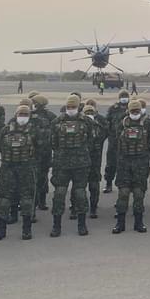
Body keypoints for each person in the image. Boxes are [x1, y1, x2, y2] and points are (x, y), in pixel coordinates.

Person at [0, 104, 37, 241]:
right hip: (8, 168)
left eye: (25, 114)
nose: (22, 117)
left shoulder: (34, 130)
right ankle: (1, 230)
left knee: (26, 199)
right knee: (4, 198)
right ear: (16, 115)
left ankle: (26, 230)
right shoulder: (6, 130)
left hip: (26, 168)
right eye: (20, 114)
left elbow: (42, 147)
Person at [49, 95, 93, 237]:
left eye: (73, 107)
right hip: (62, 165)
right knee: (59, 194)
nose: (70, 109)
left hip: (80, 165)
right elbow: (53, 142)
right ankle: (56, 226)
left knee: (80, 194)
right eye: (68, 107)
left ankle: (82, 225)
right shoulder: (57, 122)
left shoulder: (86, 121)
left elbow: (91, 141)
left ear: (79, 107)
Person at [112, 99, 150, 234]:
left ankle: (139, 222)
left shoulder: (147, 123)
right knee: (123, 193)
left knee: (138, 194)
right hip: (124, 163)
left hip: (141, 163)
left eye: (137, 110)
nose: (135, 113)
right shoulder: (122, 123)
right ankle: (120, 223)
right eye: (132, 111)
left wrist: (143, 153)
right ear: (128, 111)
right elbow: (115, 140)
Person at [83, 101, 109, 218]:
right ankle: (80, 207)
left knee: (93, 185)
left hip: (93, 159)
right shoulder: (80, 125)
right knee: (80, 186)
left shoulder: (99, 125)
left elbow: (104, 135)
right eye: (87, 112)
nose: (89, 114)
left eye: (90, 112)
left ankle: (93, 207)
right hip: (81, 160)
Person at [30, 94, 55, 214]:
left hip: (45, 152)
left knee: (43, 177)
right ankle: (32, 206)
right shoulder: (29, 115)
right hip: (32, 154)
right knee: (32, 179)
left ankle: (42, 201)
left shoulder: (50, 116)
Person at [104, 90, 131, 194]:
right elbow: (107, 122)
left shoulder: (132, 108)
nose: (124, 98)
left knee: (126, 165)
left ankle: (125, 186)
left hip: (127, 142)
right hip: (114, 141)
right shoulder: (113, 108)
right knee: (111, 163)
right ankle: (108, 184)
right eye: (122, 96)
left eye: (125, 96)